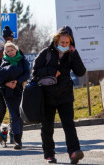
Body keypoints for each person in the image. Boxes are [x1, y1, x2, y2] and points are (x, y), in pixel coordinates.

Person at [32, 25, 86, 164]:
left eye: (67, 43)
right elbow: (35, 71)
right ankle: (49, 154)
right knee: (47, 127)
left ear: (71, 42)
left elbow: (80, 72)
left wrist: (74, 54)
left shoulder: (71, 54)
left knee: (69, 125)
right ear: (56, 40)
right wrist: (51, 70)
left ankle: (74, 152)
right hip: (47, 96)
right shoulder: (46, 52)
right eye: (62, 42)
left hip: (65, 95)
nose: (65, 45)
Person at [0, 41, 30, 149]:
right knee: (14, 115)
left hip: (20, 90)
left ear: (16, 49)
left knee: (19, 115)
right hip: (8, 92)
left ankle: (18, 138)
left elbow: (27, 74)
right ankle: (17, 141)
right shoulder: (4, 61)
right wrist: (7, 83)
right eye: (7, 51)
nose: (10, 52)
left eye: (12, 50)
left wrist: (16, 82)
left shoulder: (22, 60)